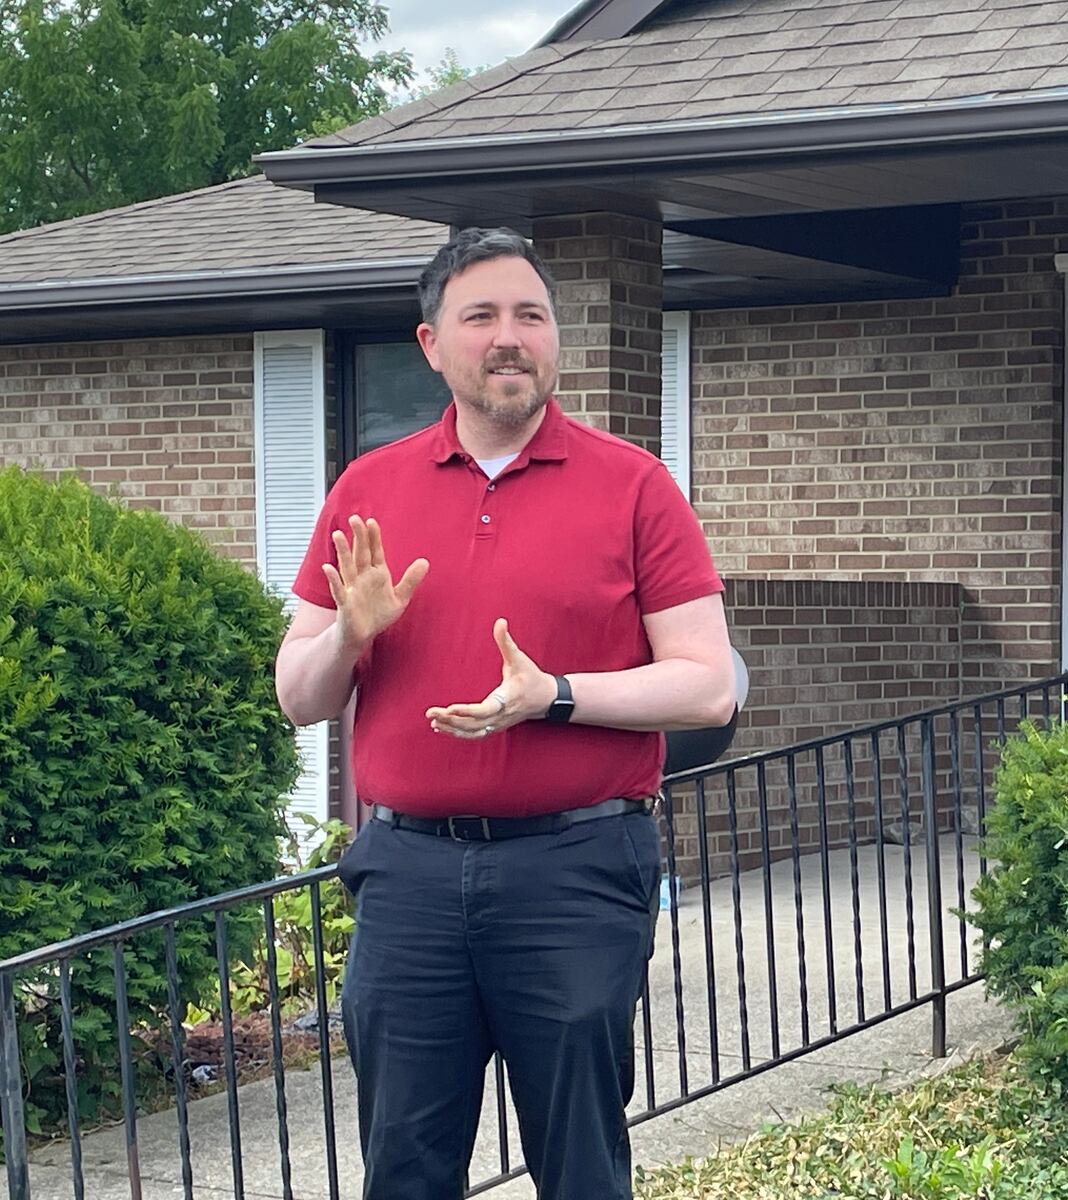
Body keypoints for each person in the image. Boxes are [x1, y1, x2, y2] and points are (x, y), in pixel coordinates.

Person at [274, 226, 735, 1200]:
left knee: (579, 1165)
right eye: (479, 316)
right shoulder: (368, 491)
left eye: (529, 314)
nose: (508, 336)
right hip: (409, 877)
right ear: (432, 344)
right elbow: (298, 696)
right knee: (403, 1165)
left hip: (575, 871)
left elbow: (706, 683)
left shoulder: (635, 488)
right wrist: (348, 636)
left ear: (555, 340)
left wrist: (555, 697)